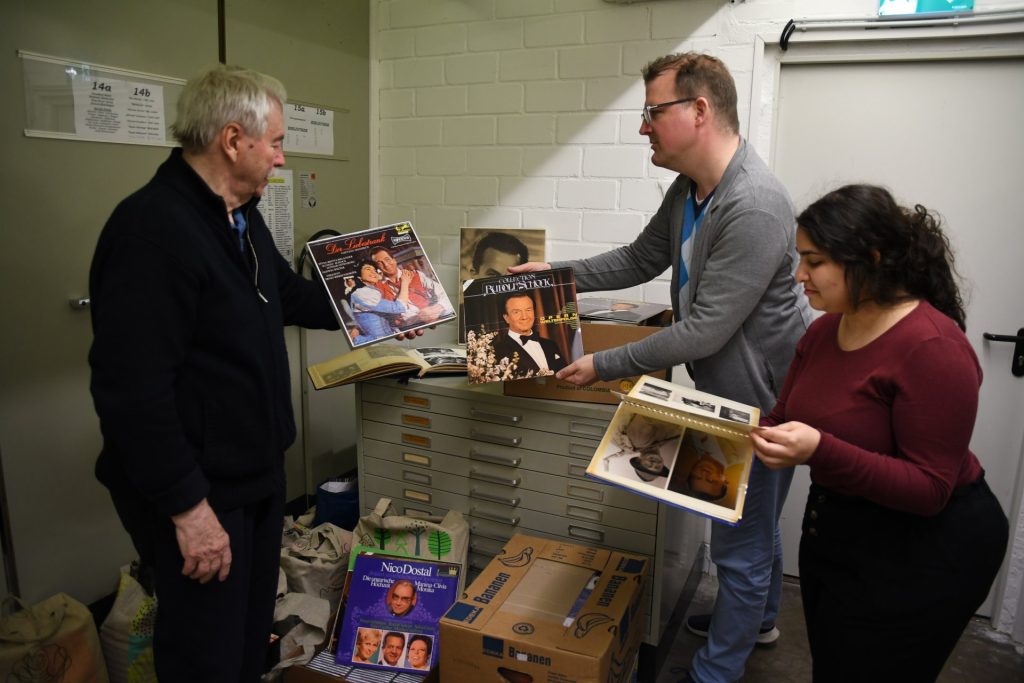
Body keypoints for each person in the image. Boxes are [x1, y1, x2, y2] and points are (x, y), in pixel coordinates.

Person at [509, 52, 812, 683]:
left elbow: (705, 327)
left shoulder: (753, 204)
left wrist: (603, 364)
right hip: (726, 387)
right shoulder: (692, 189)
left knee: (739, 538)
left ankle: (716, 671)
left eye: (653, 112)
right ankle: (755, 621)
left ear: (699, 111)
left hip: (759, 398)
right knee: (745, 516)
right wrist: (551, 275)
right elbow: (637, 259)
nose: (644, 127)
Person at [88, 64, 340, 682]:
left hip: (252, 473)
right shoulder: (152, 230)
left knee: (248, 637)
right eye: (276, 143)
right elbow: (131, 392)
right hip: (198, 490)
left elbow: (290, 297)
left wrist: (380, 313)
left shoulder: (240, 216)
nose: (281, 160)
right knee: (206, 651)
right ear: (233, 140)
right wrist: (188, 510)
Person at [751, 184, 1009, 682]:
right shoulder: (825, 330)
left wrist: (820, 450)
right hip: (839, 530)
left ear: (869, 258)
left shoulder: (933, 347)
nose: (798, 275)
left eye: (813, 260)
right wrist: (703, 425)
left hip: (927, 548)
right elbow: (782, 417)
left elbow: (929, 488)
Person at [490, 293, 568, 377]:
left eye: (528, 310)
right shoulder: (496, 352)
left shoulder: (550, 344)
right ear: (506, 318)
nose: (524, 317)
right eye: (516, 312)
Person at [370, 246, 453, 324]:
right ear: (377, 268)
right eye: (380, 263)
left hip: (435, 319)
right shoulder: (377, 288)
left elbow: (445, 295)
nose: (386, 265)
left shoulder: (416, 275)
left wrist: (438, 308)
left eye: (387, 259)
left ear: (394, 260)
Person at [348, 260, 417, 342]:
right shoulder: (361, 293)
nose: (373, 272)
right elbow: (398, 307)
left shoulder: (373, 291)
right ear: (359, 277)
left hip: (387, 336)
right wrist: (405, 282)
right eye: (368, 269)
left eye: (374, 270)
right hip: (372, 341)